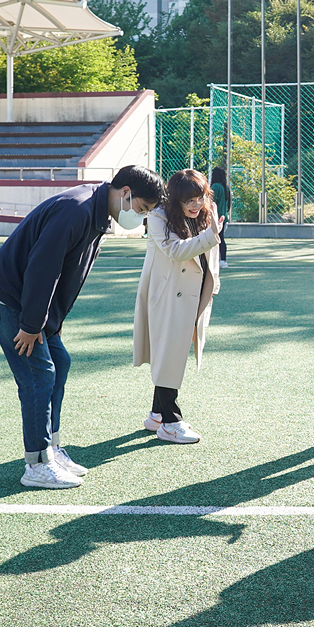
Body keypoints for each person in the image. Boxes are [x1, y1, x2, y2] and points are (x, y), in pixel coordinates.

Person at [0, 165, 165, 489]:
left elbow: (68, 274)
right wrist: (31, 324)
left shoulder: (97, 215)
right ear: (126, 193)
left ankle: (50, 447)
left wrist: (52, 322)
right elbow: (43, 268)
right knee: (39, 374)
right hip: (9, 297)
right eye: (142, 209)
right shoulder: (76, 209)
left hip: (33, 304)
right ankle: (36, 463)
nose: (141, 217)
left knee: (60, 362)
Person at [135, 169, 224, 444]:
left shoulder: (208, 210)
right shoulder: (159, 216)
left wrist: (213, 287)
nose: (196, 204)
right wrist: (211, 235)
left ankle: (157, 414)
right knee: (168, 353)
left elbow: (210, 257)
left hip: (193, 292)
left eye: (200, 197)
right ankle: (171, 421)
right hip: (166, 293)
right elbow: (175, 251)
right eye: (189, 200)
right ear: (175, 200)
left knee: (170, 352)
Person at [211, 166, 231, 268]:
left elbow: (211, 202)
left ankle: (215, 260)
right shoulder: (225, 187)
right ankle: (223, 260)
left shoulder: (215, 187)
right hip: (224, 217)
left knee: (214, 239)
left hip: (215, 217)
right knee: (221, 238)